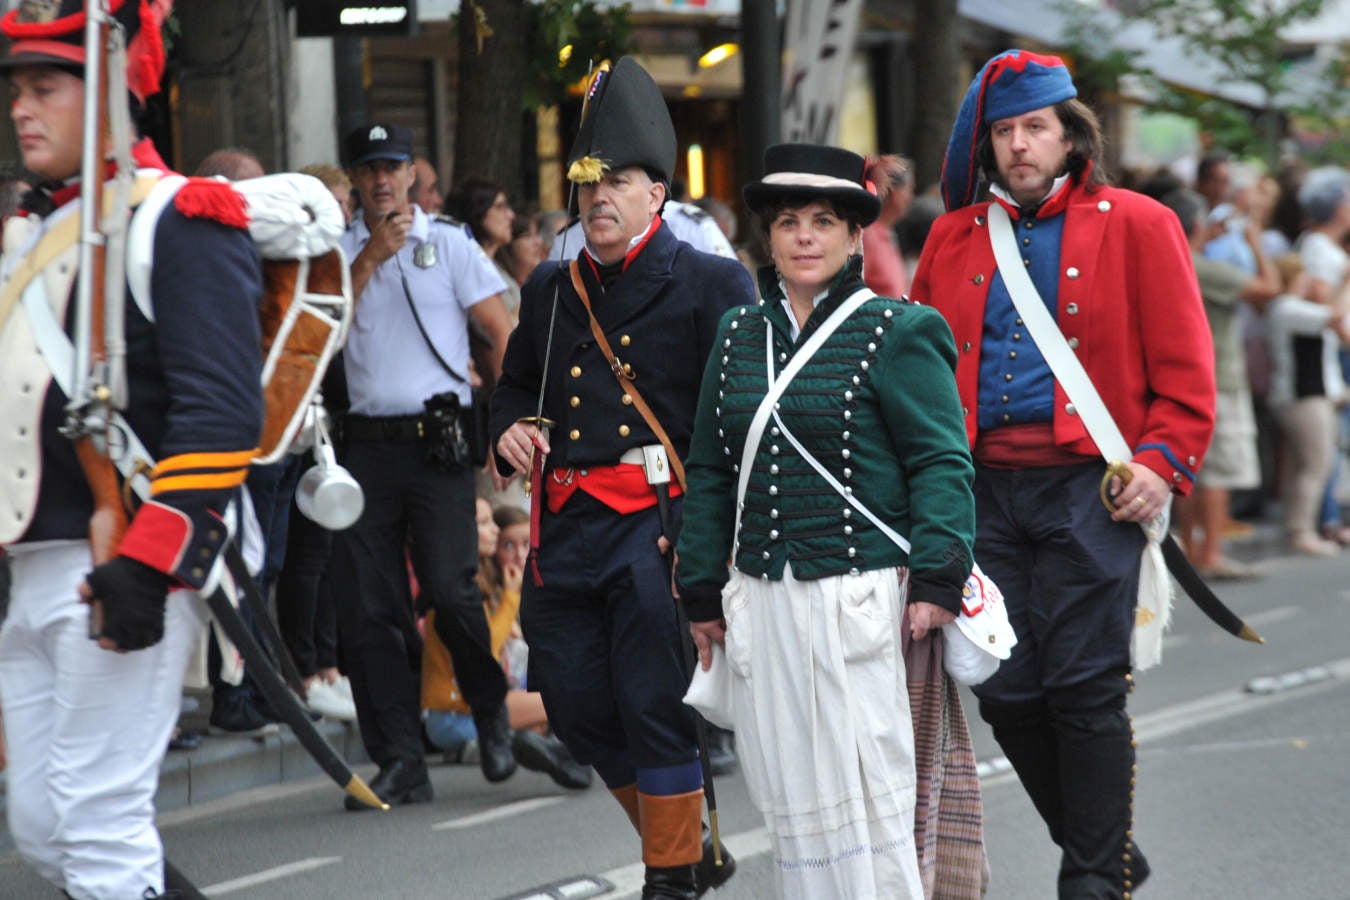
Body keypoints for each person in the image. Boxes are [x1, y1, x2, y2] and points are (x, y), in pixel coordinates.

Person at [909, 49, 1216, 899]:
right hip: (981, 495)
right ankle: (1108, 844)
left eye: (1034, 128)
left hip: (1091, 491)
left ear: (1071, 135)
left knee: (1083, 690)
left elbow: (1187, 374)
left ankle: (1091, 877)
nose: (1018, 146)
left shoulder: (1142, 223)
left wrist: (1161, 465)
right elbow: (922, 377)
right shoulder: (951, 236)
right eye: (1004, 131)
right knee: (1005, 689)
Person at [0, 1, 261, 896]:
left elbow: (222, 413)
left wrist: (150, 567)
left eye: (46, 87)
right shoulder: (31, 234)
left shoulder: (180, 217)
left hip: (119, 560)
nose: (21, 109)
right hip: (28, 570)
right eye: (17, 90)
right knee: (42, 830)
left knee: (98, 822)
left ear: (109, 90)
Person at [673, 143, 978, 899]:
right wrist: (701, 587)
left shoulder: (899, 330)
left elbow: (941, 462)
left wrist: (939, 575)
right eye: (787, 222)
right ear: (768, 240)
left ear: (853, 237)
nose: (804, 236)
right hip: (763, 601)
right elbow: (711, 468)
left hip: (862, 601)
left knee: (872, 794)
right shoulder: (739, 335)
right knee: (790, 798)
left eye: (822, 221)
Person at [492, 56, 753, 900]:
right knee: (572, 704)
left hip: (658, 525)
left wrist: (718, 541)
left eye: (620, 181)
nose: (598, 197)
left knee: (653, 702)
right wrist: (511, 431)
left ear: (658, 194)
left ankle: (670, 875)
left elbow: (742, 421)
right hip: (566, 531)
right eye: (588, 182)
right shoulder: (548, 289)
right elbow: (510, 391)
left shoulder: (711, 282)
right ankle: (692, 844)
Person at [333, 121, 517, 809]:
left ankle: (490, 709)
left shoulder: (450, 244)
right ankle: (400, 759)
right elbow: (322, 334)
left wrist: (512, 423)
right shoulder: (340, 253)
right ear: (355, 179)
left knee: (450, 586)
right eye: (369, 168)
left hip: (437, 442)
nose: (382, 179)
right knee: (371, 608)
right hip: (366, 447)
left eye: (393, 166)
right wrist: (371, 259)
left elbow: (501, 331)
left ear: (412, 174)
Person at [422, 499, 590, 789]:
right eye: (485, 524)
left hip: (474, 708)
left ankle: (520, 745)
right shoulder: (462, 589)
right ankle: (561, 755)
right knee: (565, 700)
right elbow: (483, 650)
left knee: (550, 706)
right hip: (455, 712)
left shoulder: (493, 583)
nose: (494, 532)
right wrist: (512, 598)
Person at [1160, 188, 1278, 578]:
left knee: (1186, 468)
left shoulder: (1167, 259)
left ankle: (1193, 549)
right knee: (1219, 471)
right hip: (1219, 377)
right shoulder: (1202, 265)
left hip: (1178, 376)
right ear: (1197, 224)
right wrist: (1255, 243)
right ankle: (1210, 553)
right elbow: (1268, 288)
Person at [1265, 253, 1350, 556]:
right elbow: (1336, 317)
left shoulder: (1295, 309)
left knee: (1301, 465)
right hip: (1302, 397)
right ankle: (1302, 531)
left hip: (1310, 395)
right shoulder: (1287, 308)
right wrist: (1344, 282)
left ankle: (1298, 528)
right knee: (1316, 463)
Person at [445, 175, 520, 314]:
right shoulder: (469, 267)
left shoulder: (497, 263)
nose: (510, 215)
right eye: (500, 207)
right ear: (477, 212)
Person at [861, 153, 914, 298]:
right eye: (909, 190)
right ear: (895, 193)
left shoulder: (886, 233)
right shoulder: (868, 236)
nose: (910, 198)